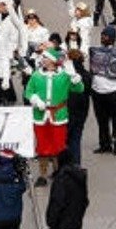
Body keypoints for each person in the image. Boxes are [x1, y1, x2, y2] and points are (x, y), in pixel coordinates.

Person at [24, 47, 74, 185]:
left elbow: (79, 88)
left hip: (58, 115)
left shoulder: (64, 75)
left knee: (59, 146)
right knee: (42, 146)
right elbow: (28, 92)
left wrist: (74, 77)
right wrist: (36, 100)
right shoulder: (36, 75)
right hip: (40, 116)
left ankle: (59, 173)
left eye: (45, 58)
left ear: (52, 61)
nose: (43, 60)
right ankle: (43, 175)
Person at [90, 26, 116, 154]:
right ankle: (104, 144)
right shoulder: (96, 52)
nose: (102, 38)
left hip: (112, 93)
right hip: (97, 92)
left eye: (105, 36)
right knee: (101, 120)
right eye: (102, 35)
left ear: (112, 38)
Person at [45, 148, 90, 229]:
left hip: (62, 227)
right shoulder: (80, 177)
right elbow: (85, 201)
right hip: (76, 225)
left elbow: (57, 203)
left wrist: (51, 221)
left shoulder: (61, 179)